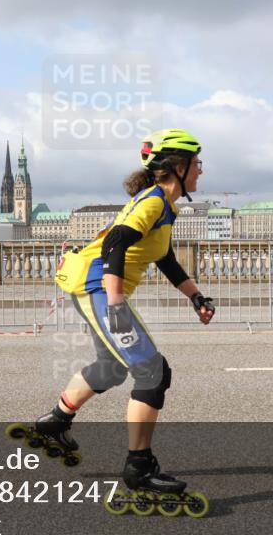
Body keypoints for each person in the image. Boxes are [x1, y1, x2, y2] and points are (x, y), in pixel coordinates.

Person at [23, 129, 215, 509]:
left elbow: (164, 257)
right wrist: (115, 304)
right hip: (99, 287)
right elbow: (115, 244)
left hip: (94, 286)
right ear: (178, 168)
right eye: (197, 164)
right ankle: (138, 469)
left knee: (112, 368)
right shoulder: (152, 203)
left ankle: (55, 422)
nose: (201, 171)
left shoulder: (163, 204)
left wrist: (195, 295)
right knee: (152, 371)